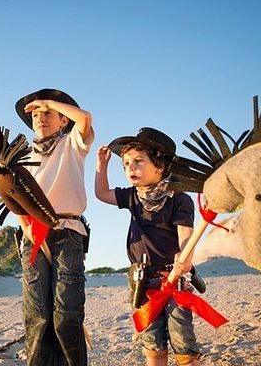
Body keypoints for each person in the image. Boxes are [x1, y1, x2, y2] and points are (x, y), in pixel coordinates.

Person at [95, 127, 201, 366]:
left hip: (173, 276)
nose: (130, 167)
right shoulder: (132, 196)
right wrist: (101, 165)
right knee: (152, 339)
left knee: (182, 335)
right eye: (125, 164)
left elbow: (186, 233)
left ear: (160, 166)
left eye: (138, 161)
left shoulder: (179, 198)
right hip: (142, 280)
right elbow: (101, 193)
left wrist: (185, 258)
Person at [15, 88, 94, 366]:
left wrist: (50, 101)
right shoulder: (22, 155)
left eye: (47, 113)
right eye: (36, 114)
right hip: (33, 236)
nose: (40, 117)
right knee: (38, 316)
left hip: (69, 233)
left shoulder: (73, 143)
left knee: (67, 315)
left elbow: (84, 119)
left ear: (63, 120)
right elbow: (16, 196)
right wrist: (24, 224)